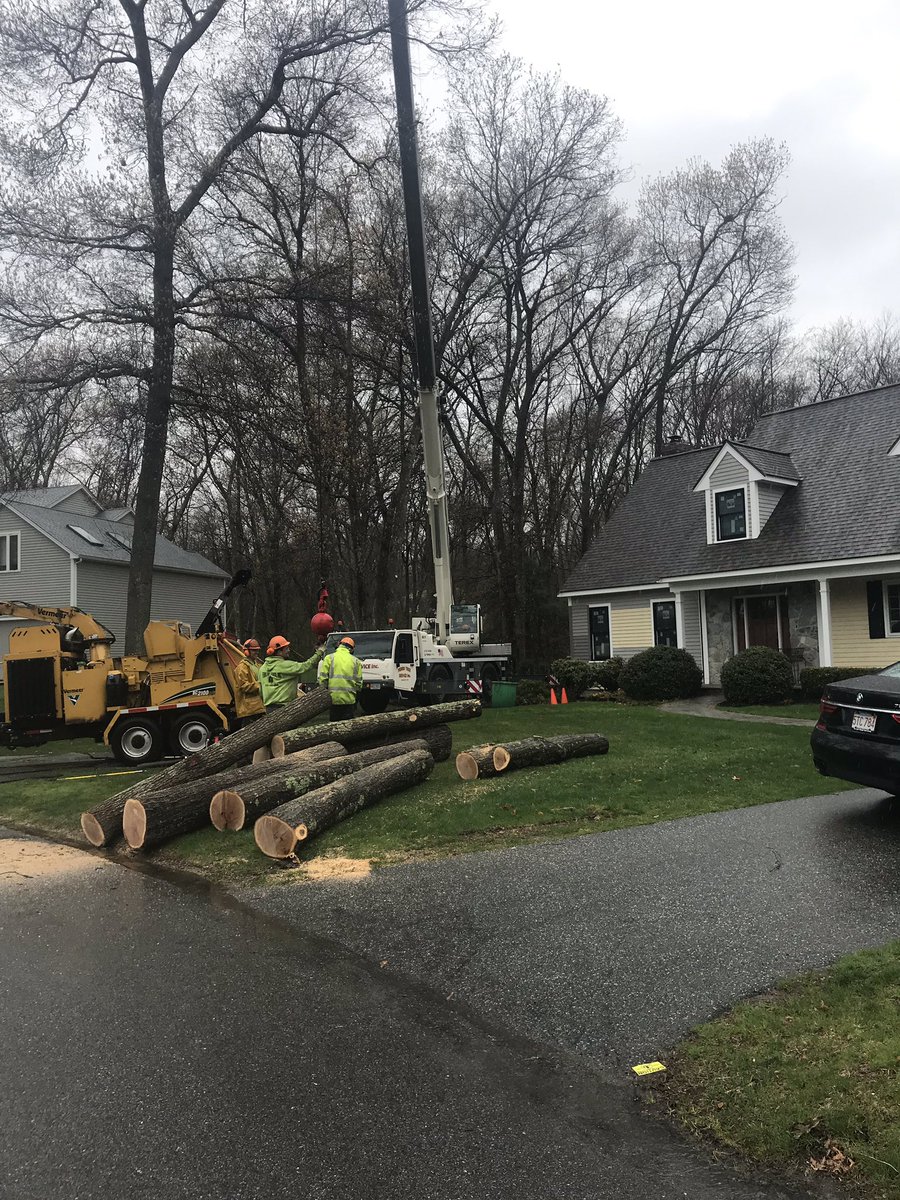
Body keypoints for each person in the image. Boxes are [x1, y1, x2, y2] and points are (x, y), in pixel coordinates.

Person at [258, 635, 325, 711]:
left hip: (269, 708)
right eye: (286, 649)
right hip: (285, 708)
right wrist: (320, 652)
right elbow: (306, 665)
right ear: (279, 652)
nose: (289, 650)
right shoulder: (286, 665)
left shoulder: (262, 669)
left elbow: (261, 691)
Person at [318, 635, 363, 721]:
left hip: (333, 699)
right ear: (352, 649)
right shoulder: (356, 661)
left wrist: (325, 692)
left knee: (334, 725)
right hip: (349, 700)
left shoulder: (329, 658)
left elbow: (323, 679)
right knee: (348, 726)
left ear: (339, 645)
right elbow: (359, 684)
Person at [232, 637, 265, 724]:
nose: (257, 652)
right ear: (246, 651)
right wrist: (261, 685)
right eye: (254, 650)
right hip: (249, 709)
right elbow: (244, 686)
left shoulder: (257, 665)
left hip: (258, 707)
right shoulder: (242, 667)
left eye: (257, 650)